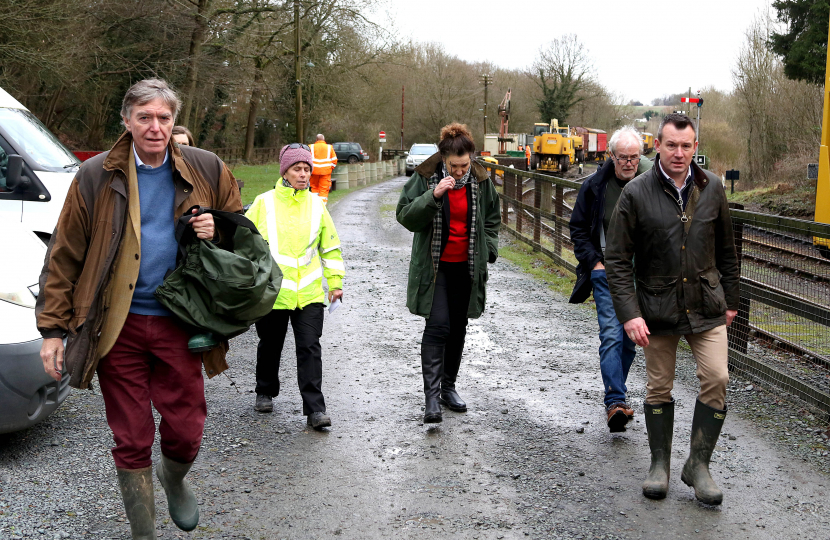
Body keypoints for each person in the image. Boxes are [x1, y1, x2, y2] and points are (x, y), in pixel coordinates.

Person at [36, 78, 242, 538]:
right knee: (130, 437)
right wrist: (53, 329)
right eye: (144, 117)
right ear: (126, 121)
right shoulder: (94, 176)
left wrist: (219, 228)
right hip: (117, 325)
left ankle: (175, 477)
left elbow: (244, 236)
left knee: (186, 429)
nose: (155, 127)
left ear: (174, 121)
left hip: (182, 322)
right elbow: (64, 254)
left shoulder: (207, 168)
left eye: (163, 118)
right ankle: (143, 533)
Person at [605, 113, 739, 505]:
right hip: (657, 307)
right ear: (657, 146)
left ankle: (698, 465)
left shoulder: (712, 187)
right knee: (658, 386)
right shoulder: (636, 193)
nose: (679, 153)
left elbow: (727, 251)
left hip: (706, 306)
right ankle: (659, 464)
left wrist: (730, 301)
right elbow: (616, 259)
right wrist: (630, 314)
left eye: (686, 146)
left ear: (695, 147)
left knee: (717, 378)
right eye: (671, 145)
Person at [396, 123, 500, 424]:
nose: (458, 171)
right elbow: (405, 216)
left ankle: (448, 388)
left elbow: (492, 218)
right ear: (443, 158)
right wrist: (434, 196)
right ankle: (431, 399)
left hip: (466, 267)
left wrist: (490, 248)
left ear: (471, 158)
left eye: (464, 165)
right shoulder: (426, 177)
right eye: (453, 166)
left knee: (457, 327)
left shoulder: (481, 180)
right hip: (435, 267)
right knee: (438, 324)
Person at [245, 143, 345, 430]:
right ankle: (265, 391)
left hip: (309, 293)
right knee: (270, 344)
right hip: (273, 292)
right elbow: (245, 243)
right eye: (297, 169)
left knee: (309, 347)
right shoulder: (263, 203)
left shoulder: (317, 205)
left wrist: (335, 283)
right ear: (284, 172)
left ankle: (315, 410)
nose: (303, 174)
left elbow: (331, 247)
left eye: (306, 169)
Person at [569, 126, 653, 432]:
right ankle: (616, 402)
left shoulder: (652, 183)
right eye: (623, 158)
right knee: (612, 335)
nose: (629, 163)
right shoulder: (595, 186)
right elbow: (578, 229)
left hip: (641, 274)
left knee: (632, 340)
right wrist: (595, 262)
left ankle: (616, 395)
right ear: (611, 156)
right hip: (607, 272)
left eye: (634, 157)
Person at [310, 133, 337, 204]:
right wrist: (330, 169)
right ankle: (322, 207)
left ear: (316, 139)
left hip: (313, 172)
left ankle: (314, 205)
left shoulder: (311, 147)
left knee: (314, 188)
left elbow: (307, 160)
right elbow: (334, 160)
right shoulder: (329, 147)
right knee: (324, 189)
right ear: (324, 140)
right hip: (326, 172)